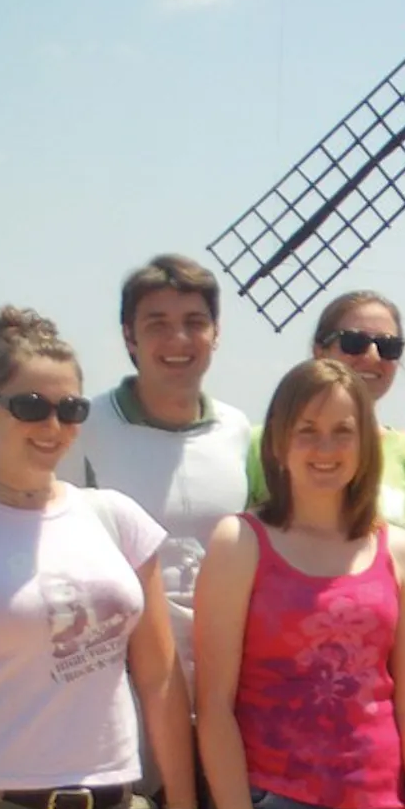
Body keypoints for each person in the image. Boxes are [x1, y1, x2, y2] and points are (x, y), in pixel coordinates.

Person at [0, 306, 198, 809]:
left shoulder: (118, 520)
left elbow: (159, 680)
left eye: (71, 408)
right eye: (31, 406)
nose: (53, 426)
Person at [196, 359, 405, 809]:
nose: (325, 448)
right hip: (272, 807)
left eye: (343, 431)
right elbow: (214, 705)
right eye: (307, 430)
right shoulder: (240, 543)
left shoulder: (401, 551)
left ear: (365, 444)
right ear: (277, 441)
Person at [57, 254, 250, 698]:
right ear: (129, 336)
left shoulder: (238, 431)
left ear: (215, 333)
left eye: (195, 322)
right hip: (119, 684)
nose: (177, 339)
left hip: (228, 682)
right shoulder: (85, 429)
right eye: (157, 324)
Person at [247, 290, 405, 526]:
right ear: (319, 350)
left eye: (388, 346)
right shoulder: (259, 443)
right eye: (354, 342)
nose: (372, 355)